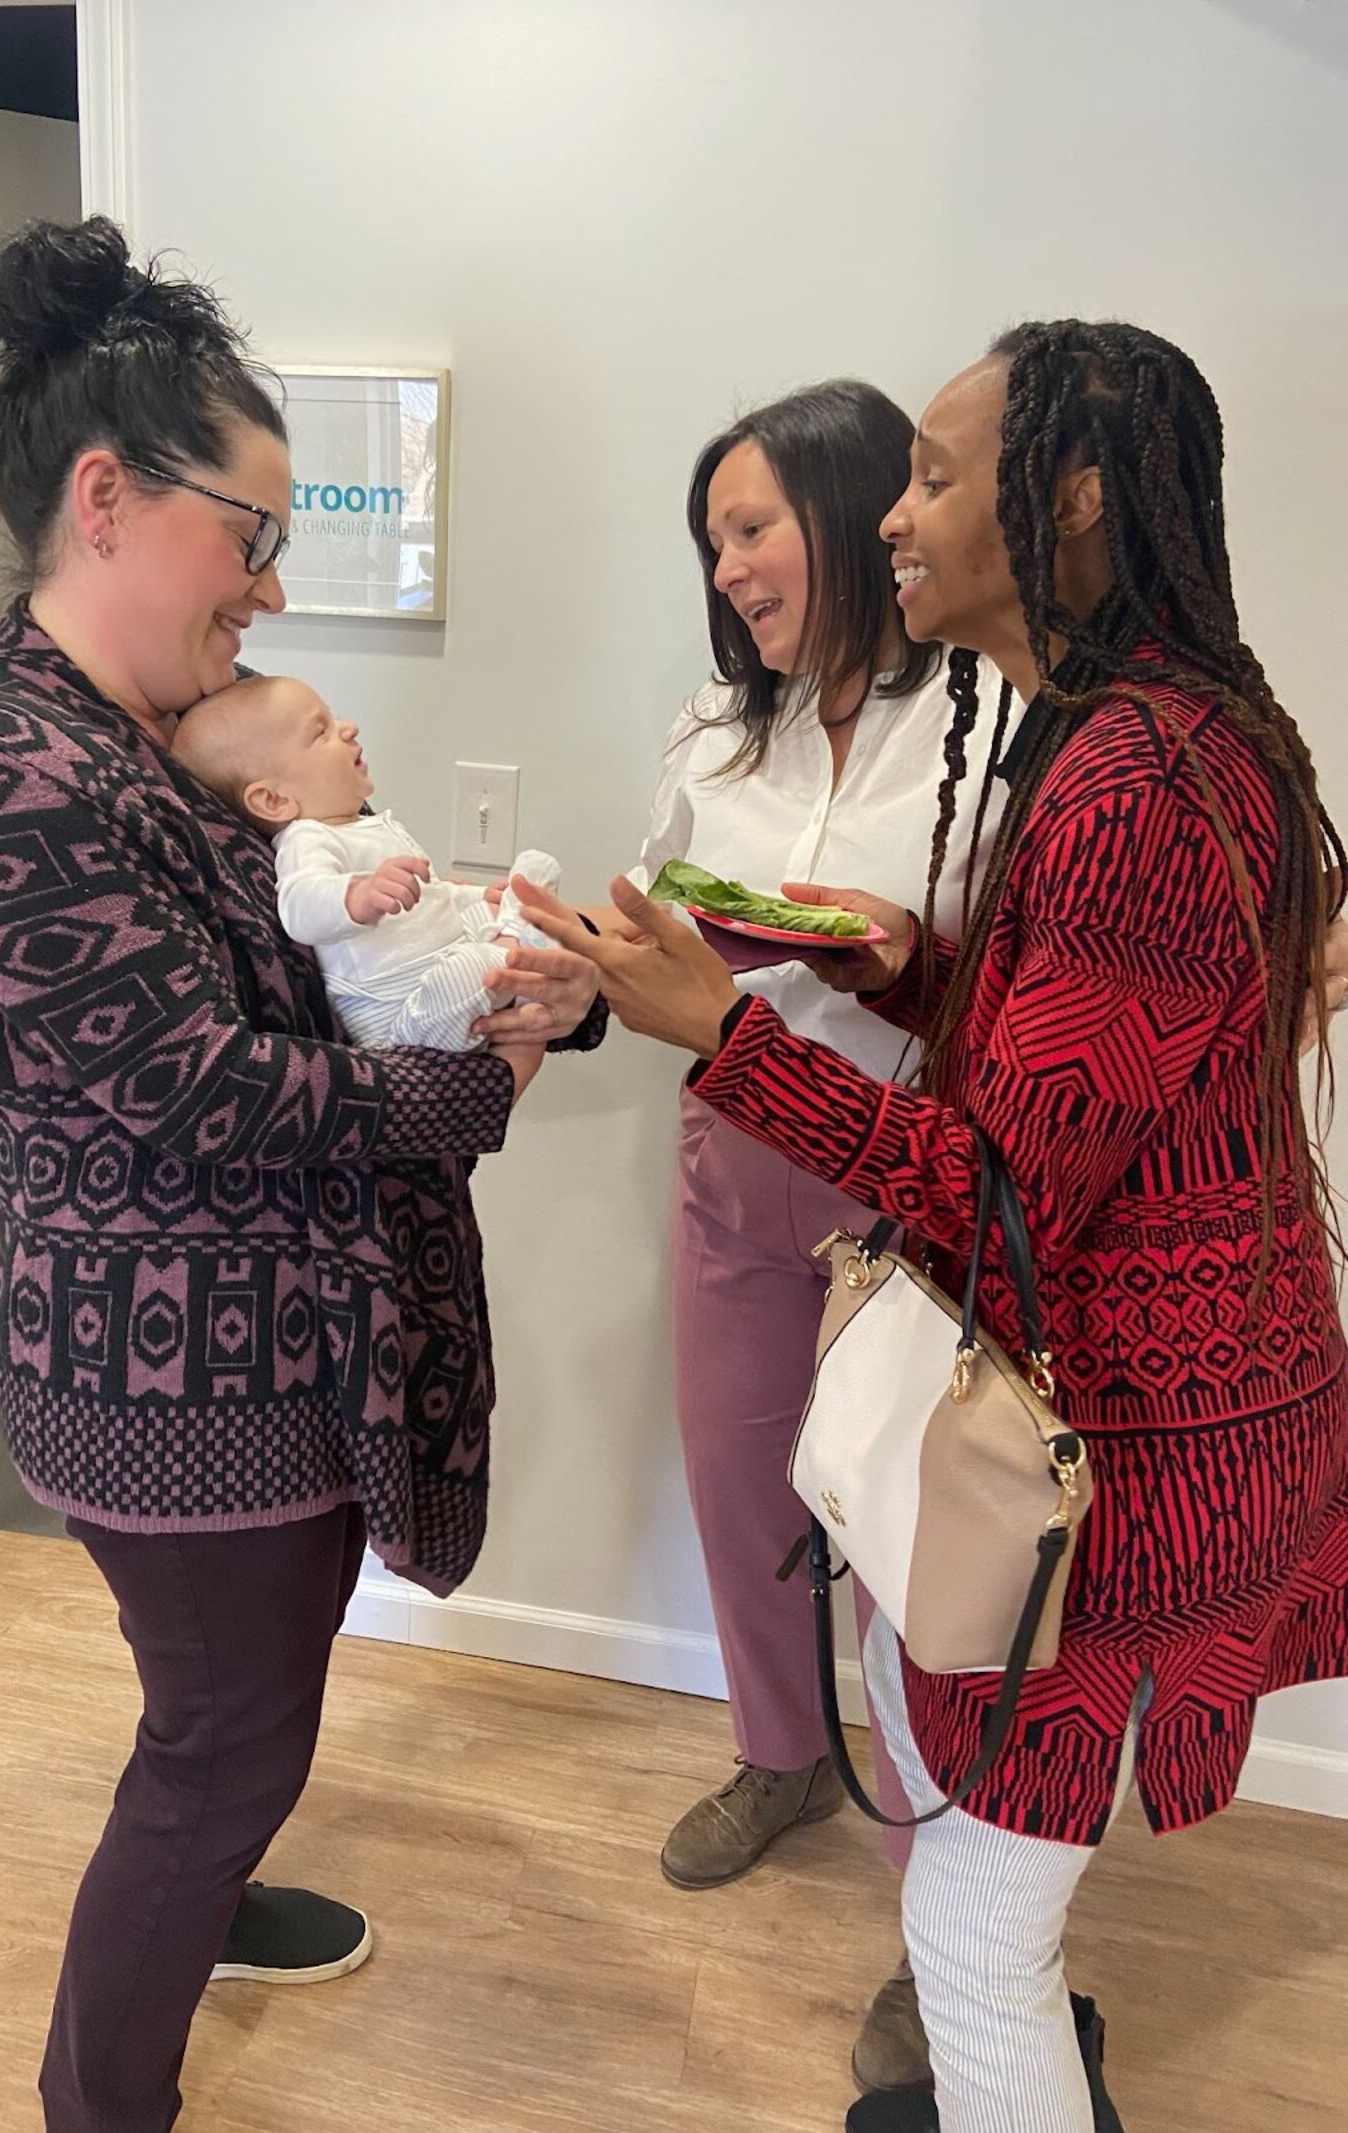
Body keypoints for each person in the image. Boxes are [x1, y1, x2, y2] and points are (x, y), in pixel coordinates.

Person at [518, 319, 1348, 2133]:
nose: (900, 513)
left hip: (1130, 1460)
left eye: (938, 477)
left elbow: (995, 1183)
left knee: (970, 1939)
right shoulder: (1168, 735)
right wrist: (913, 975)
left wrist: (726, 1035)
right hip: (1182, 1417)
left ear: (1068, 500)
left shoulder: (1128, 778)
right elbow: (1092, 1070)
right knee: (997, 1906)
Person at [0, 215, 602, 2133]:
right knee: (216, 1742)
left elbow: (325, 965)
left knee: (222, 1717)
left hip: (250, 1355)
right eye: (250, 534)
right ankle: (103, 2097)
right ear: (106, 497)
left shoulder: (147, 746)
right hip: (161, 1382)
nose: (270, 590)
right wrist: (476, 1093)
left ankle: (209, 1888)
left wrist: (515, 983)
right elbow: (190, 1093)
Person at [633, 381, 1006, 2094]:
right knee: (736, 1484)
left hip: (901, 1180)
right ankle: (779, 1752)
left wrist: (898, 944)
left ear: (860, 515)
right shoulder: (718, 730)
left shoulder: (991, 718)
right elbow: (669, 914)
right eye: (717, 541)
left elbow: (1012, 975)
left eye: (755, 526)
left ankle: (949, 1930)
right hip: (732, 1151)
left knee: (902, 1554)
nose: (734, 567)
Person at [171, 672, 561, 1050]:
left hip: (443, 955)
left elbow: (432, 896)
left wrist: (479, 899)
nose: (349, 728)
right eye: (320, 731)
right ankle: (514, 950)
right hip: (398, 1008)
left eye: (334, 717)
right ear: (274, 800)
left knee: (534, 871)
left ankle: (510, 940)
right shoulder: (308, 838)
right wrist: (359, 895)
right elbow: (299, 907)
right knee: (470, 970)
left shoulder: (368, 826)